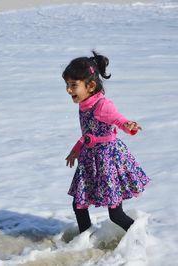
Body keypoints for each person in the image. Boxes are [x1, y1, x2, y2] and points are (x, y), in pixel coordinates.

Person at [63, 51, 150, 234]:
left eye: (73, 85)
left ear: (91, 85)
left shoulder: (102, 105)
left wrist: (129, 125)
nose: (68, 90)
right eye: (67, 85)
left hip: (107, 160)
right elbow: (88, 134)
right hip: (89, 159)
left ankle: (140, 237)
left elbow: (119, 120)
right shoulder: (84, 103)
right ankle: (86, 240)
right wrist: (76, 150)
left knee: (115, 213)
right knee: (79, 204)